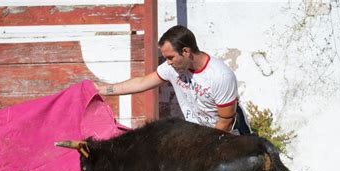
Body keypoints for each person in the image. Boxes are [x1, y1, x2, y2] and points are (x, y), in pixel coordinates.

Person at [95, 25, 251, 135]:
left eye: (170, 57)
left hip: (232, 138)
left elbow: (225, 122)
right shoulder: (172, 68)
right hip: (202, 135)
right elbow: (141, 83)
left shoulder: (220, 76)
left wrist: (205, 149)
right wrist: (101, 90)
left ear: (186, 51)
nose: (168, 62)